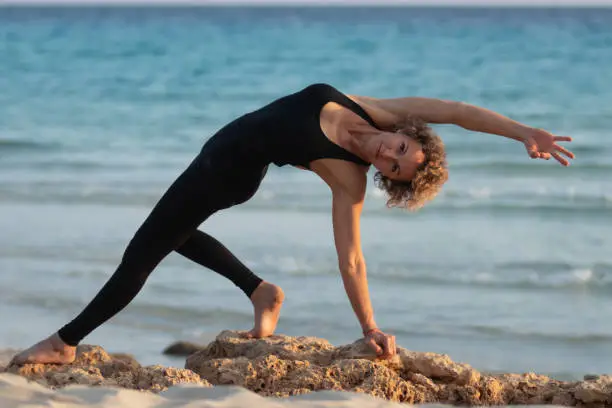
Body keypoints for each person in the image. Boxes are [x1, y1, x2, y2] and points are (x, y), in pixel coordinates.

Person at [10, 83, 574, 365]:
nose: (387, 153)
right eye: (400, 147)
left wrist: (370, 326)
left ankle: (65, 342)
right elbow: (457, 111)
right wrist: (525, 131)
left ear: (386, 177)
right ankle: (261, 290)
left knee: (143, 252)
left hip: (226, 176)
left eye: (394, 166)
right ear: (407, 131)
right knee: (167, 237)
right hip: (215, 153)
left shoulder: (348, 177)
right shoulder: (372, 109)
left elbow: (352, 258)